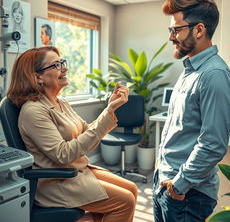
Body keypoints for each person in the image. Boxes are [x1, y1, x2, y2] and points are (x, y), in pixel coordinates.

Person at [7, 46, 137, 222]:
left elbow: (86, 130)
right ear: (37, 77)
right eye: (56, 65)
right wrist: (107, 113)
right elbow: (63, 154)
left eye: (62, 62)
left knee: (132, 189)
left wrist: (110, 108)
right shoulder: (33, 111)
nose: (64, 68)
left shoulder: (61, 102)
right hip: (57, 181)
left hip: (77, 170)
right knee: (125, 201)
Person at [153, 0, 230, 222]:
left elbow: (212, 145)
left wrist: (178, 187)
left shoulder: (214, 76)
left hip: (187, 194)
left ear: (199, 29)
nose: (171, 37)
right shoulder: (190, 70)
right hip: (167, 181)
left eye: (176, 30)